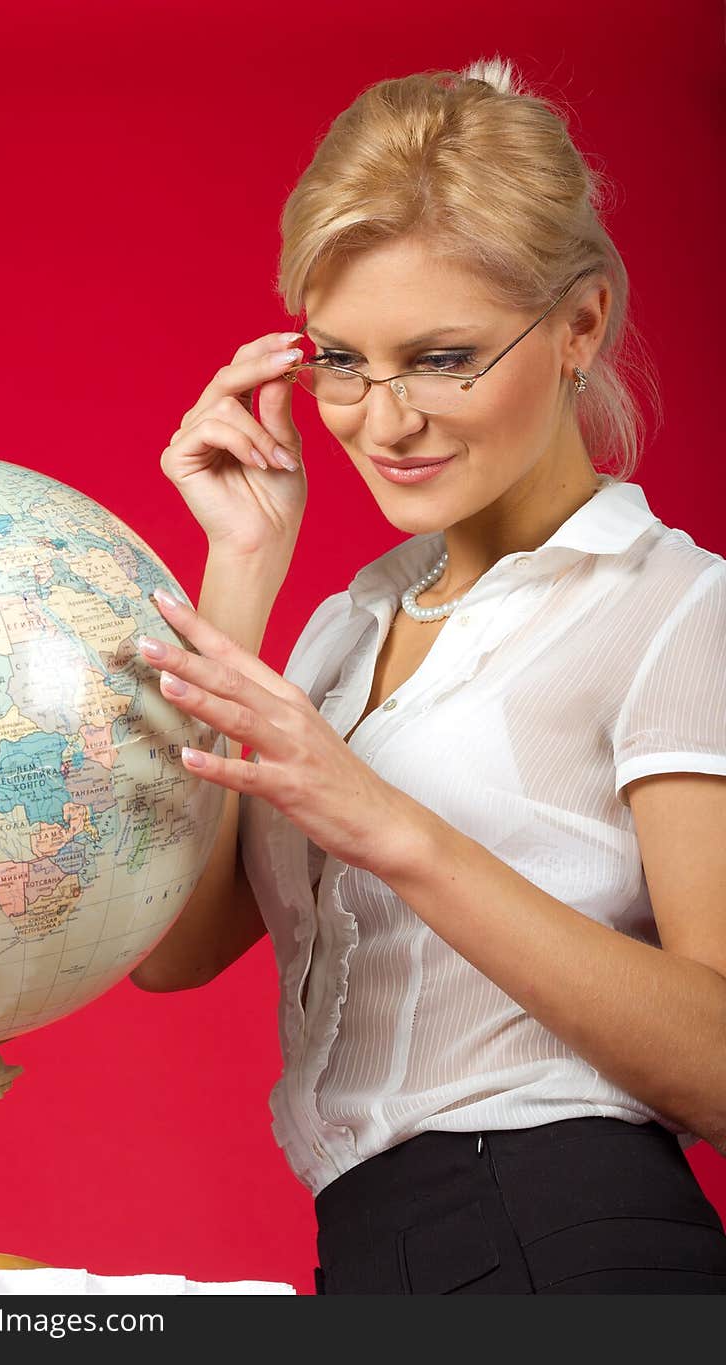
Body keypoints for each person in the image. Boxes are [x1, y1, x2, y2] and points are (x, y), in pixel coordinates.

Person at [130, 55, 726, 1294]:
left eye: (442, 358)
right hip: (374, 1249)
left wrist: (386, 823)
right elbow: (169, 949)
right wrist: (243, 562)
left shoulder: (681, 610)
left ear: (579, 325)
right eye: (340, 360)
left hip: (569, 1239)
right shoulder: (347, 634)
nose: (381, 419)